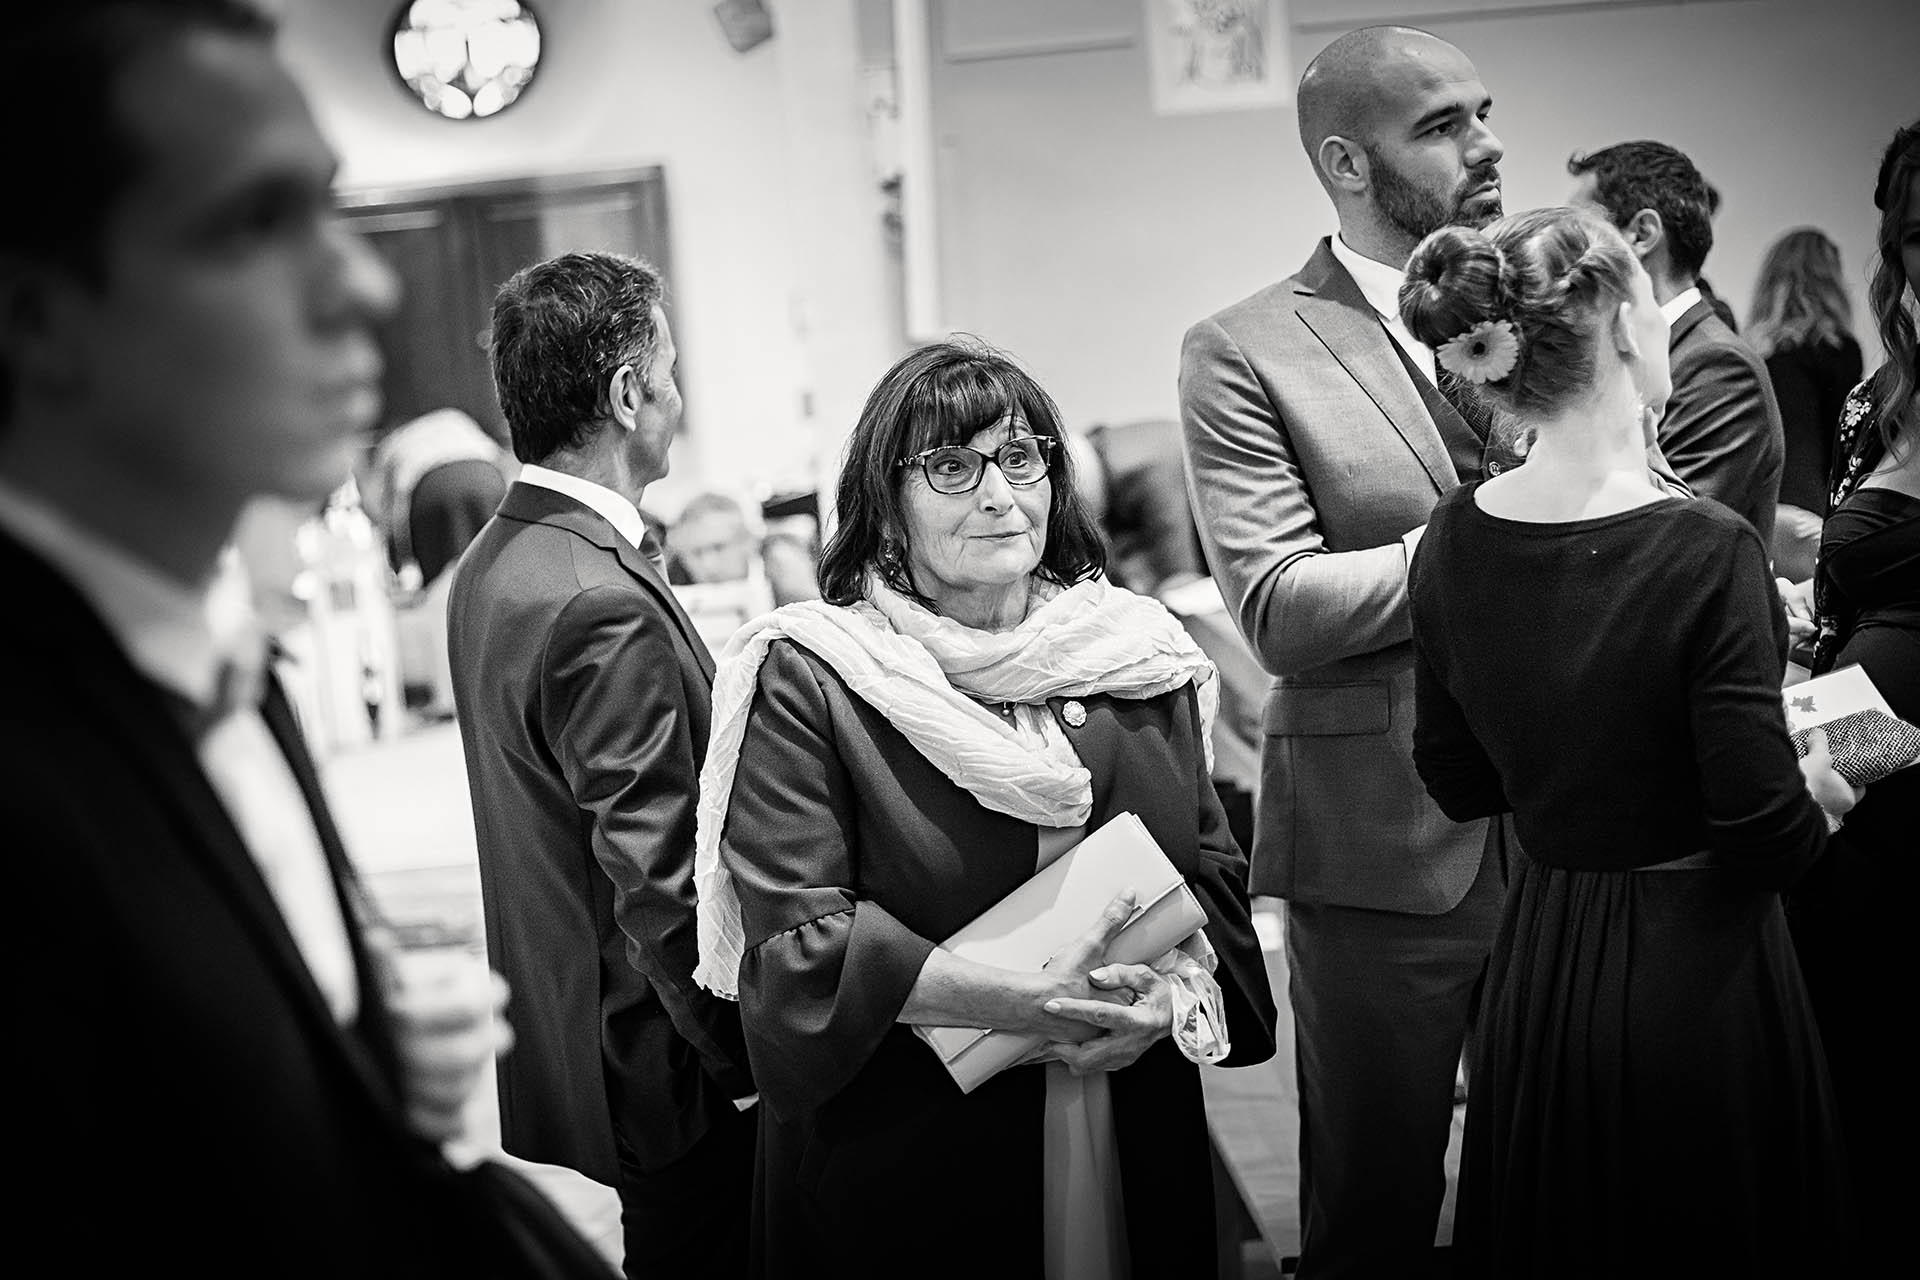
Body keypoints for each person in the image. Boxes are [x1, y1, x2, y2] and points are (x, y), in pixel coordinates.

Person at [0, 3, 603, 1273]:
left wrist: (352, 1057)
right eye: (250, 223)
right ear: (38, 316)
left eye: (325, 209)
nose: (364, 284)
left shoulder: (217, 659)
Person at [691, 340, 1278, 1279]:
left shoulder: (1136, 656)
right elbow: (803, 942)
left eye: (1019, 458)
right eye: (952, 468)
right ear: (886, 507)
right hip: (915, 1156)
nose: (1000, 496)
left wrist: (1167, 1006)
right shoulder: (818, 677)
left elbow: (1211, 884)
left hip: (1130, 1119)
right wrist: (1032, 1006)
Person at [1402, 207, 1855, 1276]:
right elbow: (1767, 833)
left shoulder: (1453, 534)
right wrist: (1835, 781)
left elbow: (1456, 777)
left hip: (1544, 961)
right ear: (1615, 319)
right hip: (1699, 974)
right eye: (1651, 298)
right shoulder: (1706, 547)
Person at [1179, 26, 1517, 1277]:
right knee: (1373, 1204)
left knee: (1560, 1186)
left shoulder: (1547, 304)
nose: (1486, 144)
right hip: (1383, 843)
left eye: (1483, 111)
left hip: (1571, 826)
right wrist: (1495, 532)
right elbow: (1279, 605)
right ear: (1347, 162)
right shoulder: (1245, 347)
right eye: (1442, 125)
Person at [447, 252, 757, 1278]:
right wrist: (750, 1060)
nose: (680, 396)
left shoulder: (498, 557)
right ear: (628, 394)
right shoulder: (595, 599)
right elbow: (657, 878)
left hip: (584, 1028)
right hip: (669, 1065)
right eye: (670, 371)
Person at [1784, 120, 1920, 1260]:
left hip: (1898, 763)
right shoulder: (1874, 400)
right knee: (1856, 1064)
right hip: (1857, 780)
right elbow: (1840, 596)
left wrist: (1856, 739)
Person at [1569, 140, 1786, 550]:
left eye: (1581, 230)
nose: (1565, 253)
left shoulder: (1719, 366)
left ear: (1642, 233)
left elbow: (1667, 535)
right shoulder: (1627, 351)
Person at [1745, 229, 1864, 581]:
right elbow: (1845, 443)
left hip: (1758, 512)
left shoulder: (1751, 351)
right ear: (1829, 280)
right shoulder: (1837, 350)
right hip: (1810, 513)